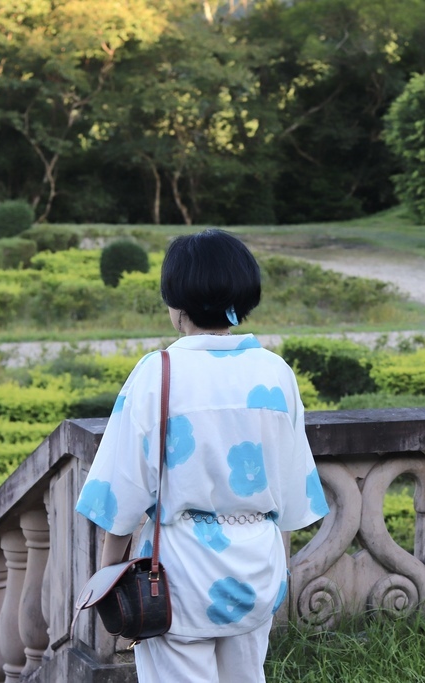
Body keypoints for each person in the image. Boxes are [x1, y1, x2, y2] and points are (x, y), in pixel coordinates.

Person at [75, 229, 329, 683]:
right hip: (256, 572)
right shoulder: (275, 372)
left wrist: (109, 571)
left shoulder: (158, 373)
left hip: (179, 578)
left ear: (177, 303)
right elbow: (293, 494)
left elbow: (120, 492)